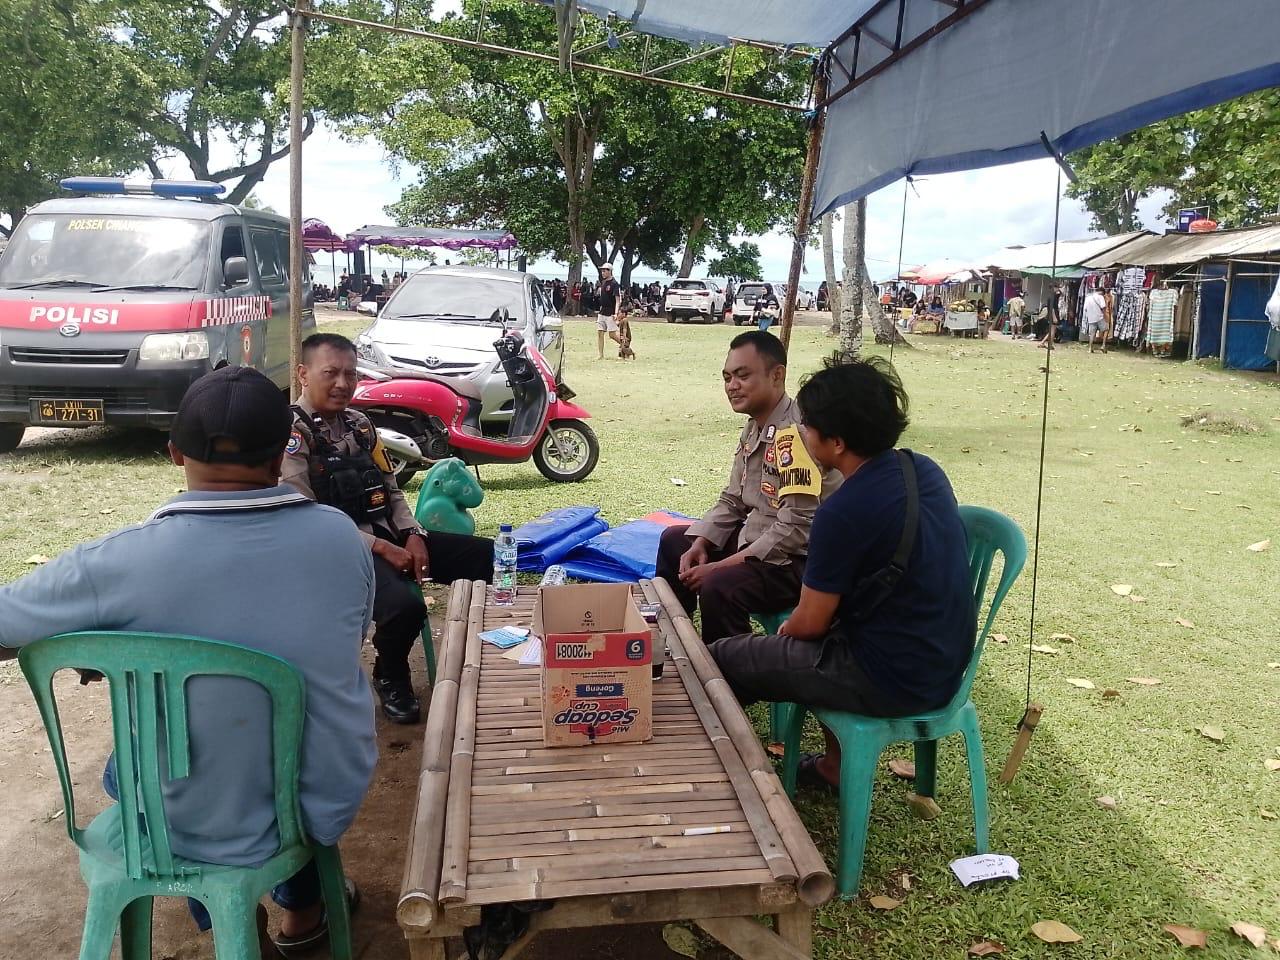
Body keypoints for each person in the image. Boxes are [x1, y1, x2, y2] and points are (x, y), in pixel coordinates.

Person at [0, 366, 376, 952]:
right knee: (277, 745)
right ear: (284, 451)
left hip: (192, 819)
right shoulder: (341, 539)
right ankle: (304, 916)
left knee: (138, 767)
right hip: (317, 801)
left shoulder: (118, 562)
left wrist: (98, 647)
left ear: (174, 453)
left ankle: (233, 927)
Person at [707, 357, 975, 791]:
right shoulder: (923, 469)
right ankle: (833, 766)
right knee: (824, 640)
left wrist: (782, 638)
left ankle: (724, 777)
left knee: (720, 659)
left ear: (835, 442)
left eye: (807, 426)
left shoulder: (842, 512)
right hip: (946, 666)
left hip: (890, 678)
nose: (801, 433)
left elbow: (809, 624)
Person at [282, 333, 493, 724]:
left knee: (487, 557)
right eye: (330, 373)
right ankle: (391, 673)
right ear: (303, 374)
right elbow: (304, 514)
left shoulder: (361, 425)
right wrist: (380, 548)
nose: (343, 383)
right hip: (337, 552)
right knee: (403, 605)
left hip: (389, 534)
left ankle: (492, 657)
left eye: (350, 374)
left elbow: (391, 490)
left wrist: (413, 534)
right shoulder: (292, 434)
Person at [655, 331, 840, 643]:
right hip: (757, 541)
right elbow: (733, 499)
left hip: (796, 561)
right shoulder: (755, 426)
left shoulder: (796, 434)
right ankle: (673, 642)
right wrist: (701, 542)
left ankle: (728, 670)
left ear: (777, 375)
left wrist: (720, 566)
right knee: (676, 542)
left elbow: (795, 529)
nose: (732, 386)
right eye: (727, 377)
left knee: (719, 586)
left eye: (742, 376)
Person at [595, 264, 623, 360]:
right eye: (602, 271)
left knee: (612, 335)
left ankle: (625, 345)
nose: (602, 273)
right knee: (600, 332)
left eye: (604, 271)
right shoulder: (603, 282)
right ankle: (600, 355)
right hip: (602, 311)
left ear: (609, 271)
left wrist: (616, 313)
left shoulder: (615, 284)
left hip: (610, 312)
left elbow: (618, 300)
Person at [1081, 284, 1108, 353]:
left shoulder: (1088, 298)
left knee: (1092, 334)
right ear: (1102, 292)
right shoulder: (1100, 297)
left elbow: (1085, 309)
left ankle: (1090, 348)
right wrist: (1105, 316)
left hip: (1091, 318)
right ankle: (1103, 345)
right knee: (1106, 329)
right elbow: (1103, 307)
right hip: (1099, 317)